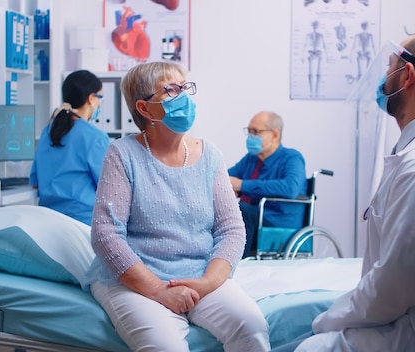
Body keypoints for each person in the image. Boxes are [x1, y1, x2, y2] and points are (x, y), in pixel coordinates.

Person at [276, 31, 415, 351]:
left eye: (389, 67)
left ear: (407, 75)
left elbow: (394, 287)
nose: (383, 79)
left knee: (306, 346)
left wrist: (325, 322)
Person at [85, 62, 270, 352]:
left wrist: (209, 282)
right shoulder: (122, 155)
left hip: (200, 275)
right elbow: (106, 235)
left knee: (252, 327)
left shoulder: (210, 156)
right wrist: (159, 291)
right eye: (171, 90)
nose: (183, 96)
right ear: (145, 109)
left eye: (185, 87)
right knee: (164, 346)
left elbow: (231, 229)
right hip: (134, 280)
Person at [29, 70, 109, 226]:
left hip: (48, 222)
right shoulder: (95, 137)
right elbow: (108, 186)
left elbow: (35, 182)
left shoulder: (48, 133)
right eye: (99, 98)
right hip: (84, 223)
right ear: (91, 98)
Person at [228, 111, 307, 258]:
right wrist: (227, 188)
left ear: (275, 135)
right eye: (249, 131)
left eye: (256, 132)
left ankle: (235, 263)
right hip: (254, 218)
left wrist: (243, 186)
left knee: (243, 210)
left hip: (278, 221)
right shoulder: (251, 159)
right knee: (225, 210)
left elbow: (290, 188)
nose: (251, 136)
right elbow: (227, 177)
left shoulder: (292, 158)